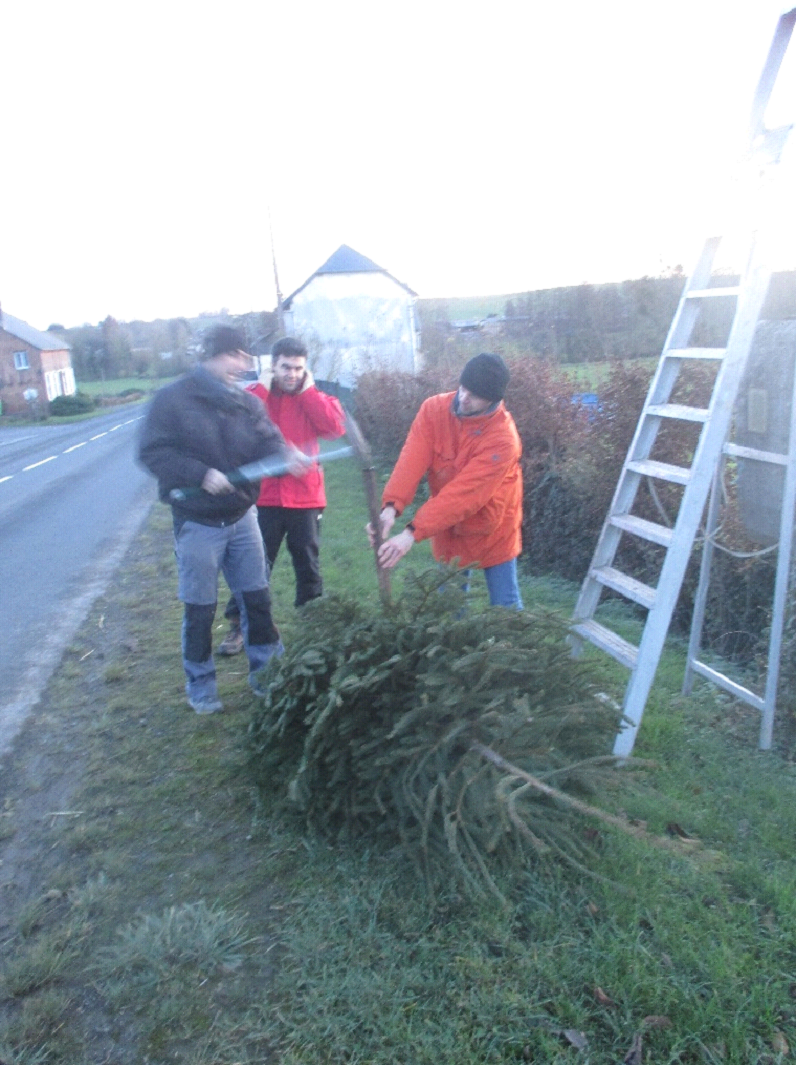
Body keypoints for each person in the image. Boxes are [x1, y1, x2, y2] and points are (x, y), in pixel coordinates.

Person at [138, 325, 307, 714]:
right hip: (197, 522)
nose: (243, 365)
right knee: (200, 608)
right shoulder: (173, 400)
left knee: (257, 598)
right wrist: (199, 474)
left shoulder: (245, 403)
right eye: (237, 356)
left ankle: (265, 673)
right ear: (214, 355)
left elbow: (268, 439)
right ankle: (200, 685)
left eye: (246, 358)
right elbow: (153, 453)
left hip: (242, 516)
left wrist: (284, 454)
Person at [217, 337, 346, 655]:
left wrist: (308, 393)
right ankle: (239, 625)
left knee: (308, 562)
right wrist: (261, 389)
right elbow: (237, 427)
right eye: (285, 367)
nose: (291, 374)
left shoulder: (317, 397)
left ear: (306, 369)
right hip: (264, 497)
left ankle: (313, 623)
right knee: (256, 565)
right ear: (273, 366)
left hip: (306, 498)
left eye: (298, 368)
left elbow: (333, 429)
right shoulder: (253, 398)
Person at [368, 352, 524, 608]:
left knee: (505, 606)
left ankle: (520, 647)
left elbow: (464, 496)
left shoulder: (503, 440)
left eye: (474, 396)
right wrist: (390, 509)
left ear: (493, 400)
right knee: (448, 608)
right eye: (463, 388)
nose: (463, 398)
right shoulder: (434, 410)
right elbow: (411, 460)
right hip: (448, 529)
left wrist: (411, 533)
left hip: (494, 529)